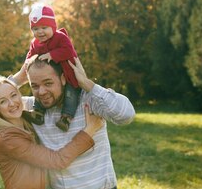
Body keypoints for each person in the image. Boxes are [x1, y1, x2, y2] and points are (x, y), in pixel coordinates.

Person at [25, 56, 135, 189]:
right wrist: (19, 78)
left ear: (63, 79)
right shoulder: (34, 109)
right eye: (35, 86)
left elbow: (126, 115)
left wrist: (86, 83)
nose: (41, 92)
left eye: (48, 83)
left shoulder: (88, 99)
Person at [0, 75, 105, 189]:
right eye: (3, 101)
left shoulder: (25, 120)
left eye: (13, 95)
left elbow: (5, 90)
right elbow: (57, 161)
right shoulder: (8, 139)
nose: (12, 103)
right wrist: (90, 130)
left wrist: (21, 76)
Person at [9, 3, 82, 131]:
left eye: (44, 27)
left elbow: (68, 51)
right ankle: (38, 113)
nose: (40, 32)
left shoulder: (61, 37)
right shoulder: (35, 43)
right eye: (36, 29)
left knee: (71, 95)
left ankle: (66, 118)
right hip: (50, 76)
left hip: (69, 74)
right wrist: (27, 64)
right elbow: (30, 55)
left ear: (53, 27)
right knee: (40, 90)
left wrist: (52, 54)